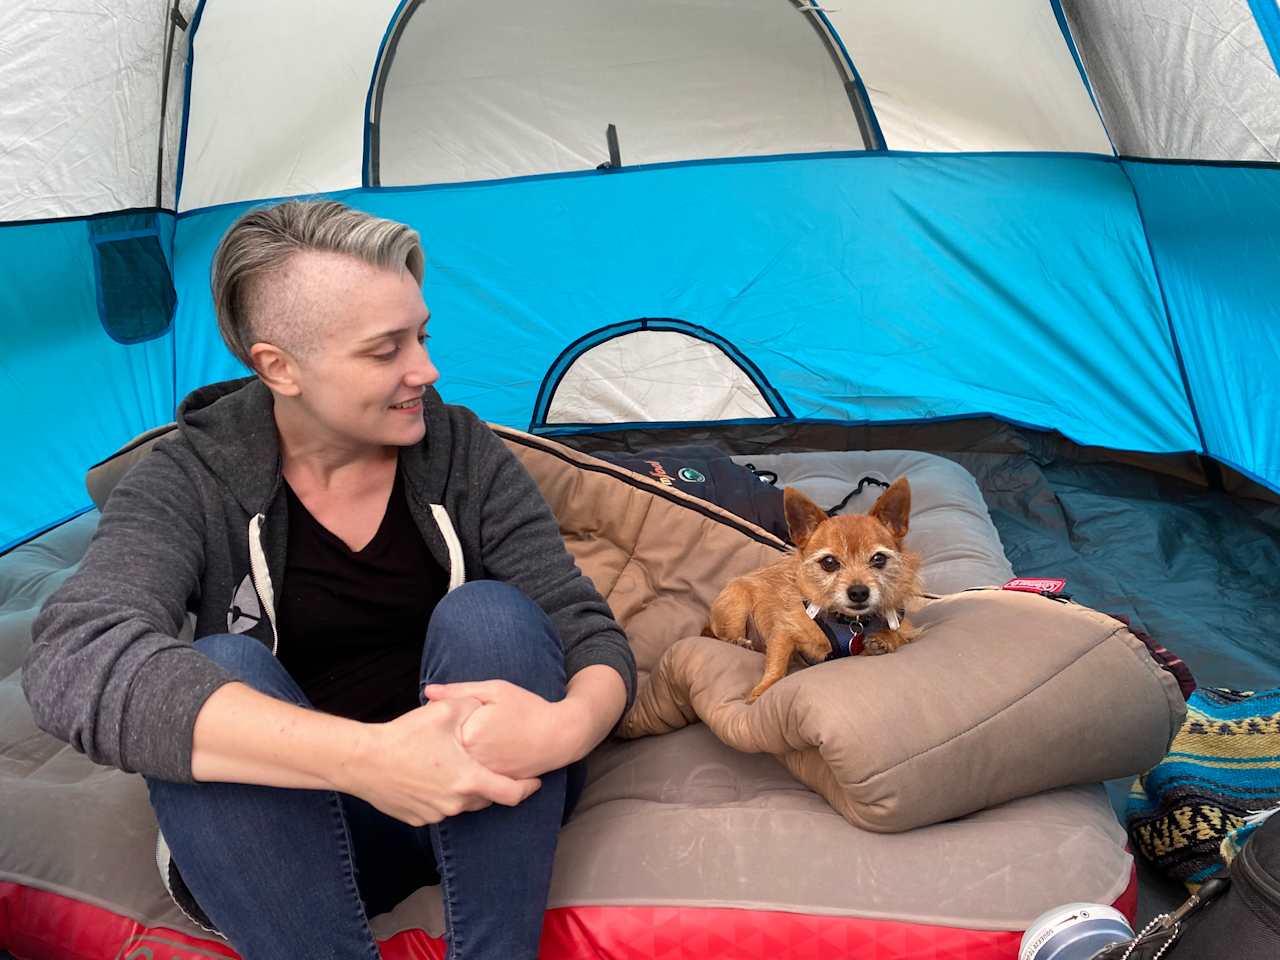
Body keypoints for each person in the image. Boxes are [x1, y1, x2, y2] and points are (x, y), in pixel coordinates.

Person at [22, 199, 637, 959]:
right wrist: (372, 762)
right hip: (294, 831)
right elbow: (71, 658)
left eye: (422, 335)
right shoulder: (187, 481)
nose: (427, 370)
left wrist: (564, 727)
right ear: (279, 366)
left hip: (480, 801)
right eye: (386, 351)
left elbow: (587, 631)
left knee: (494, 618)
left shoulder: (462, 453)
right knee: (222, 665)